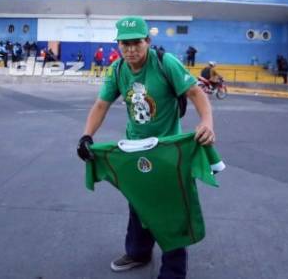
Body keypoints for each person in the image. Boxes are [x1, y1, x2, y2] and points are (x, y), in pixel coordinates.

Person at [77, 16, 215, 279]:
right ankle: (138, 253)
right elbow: (101, 105)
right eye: (124, 43)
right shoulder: (118, 70)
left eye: (136, 43)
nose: (130, 49)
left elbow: (196, 93)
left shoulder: (166, 63)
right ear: (118, 44)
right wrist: (86, 136)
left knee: (171, 209)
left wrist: (207, 122)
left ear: (148, 42)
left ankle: (173, 272)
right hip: (134, 148)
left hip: (167, 150)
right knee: (138, 202)